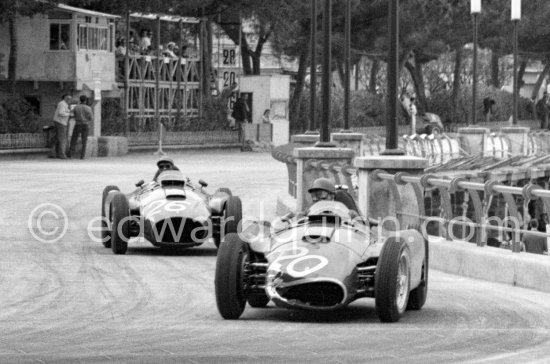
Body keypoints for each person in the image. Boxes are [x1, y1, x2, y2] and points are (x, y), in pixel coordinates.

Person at [68, 95, 93, 159]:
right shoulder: (88, 108)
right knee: (84, 140)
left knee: (74, 139)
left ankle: (70, 154)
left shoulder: (76, 107)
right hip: (85, 125)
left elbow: (71, 114)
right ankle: (82, 156)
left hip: (78, 124)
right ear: (85, 100)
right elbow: (91, 118)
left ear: (80, 100)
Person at [51, 94, 73, 159]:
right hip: (61, 123)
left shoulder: (63, 104)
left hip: (59, 122)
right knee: (62, 139)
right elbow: (60, 113)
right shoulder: (63, 104)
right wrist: (69, 114)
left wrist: (69, 111)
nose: (70, 101)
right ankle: (62, 155)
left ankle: (55, 153)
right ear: (66, 99)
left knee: (57, 138)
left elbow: (63, 111)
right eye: (69, 99)